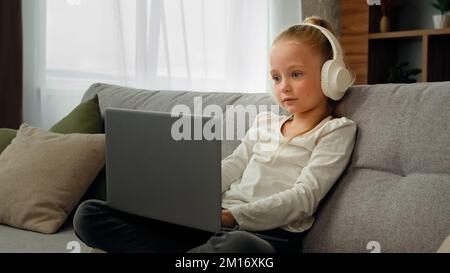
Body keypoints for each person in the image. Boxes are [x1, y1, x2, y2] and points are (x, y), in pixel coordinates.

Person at [73, 16, 357, 253]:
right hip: (211, 222)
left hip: (267, 235)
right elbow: (233, 166)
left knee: (240, 247)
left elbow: (303, 197)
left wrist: (234, 217)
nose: (283, 86)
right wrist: (189, 197)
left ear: (329, 76)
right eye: (276, 77)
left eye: (296, 74)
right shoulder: (265, 122)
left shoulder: (336, 131)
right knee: (89, 214)